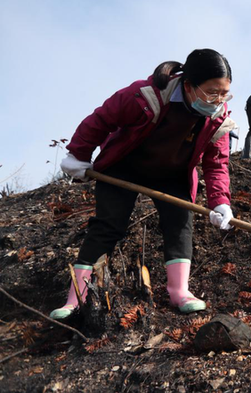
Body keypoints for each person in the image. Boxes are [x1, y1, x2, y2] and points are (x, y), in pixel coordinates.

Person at [51, 49, 236, 319]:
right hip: (123, 167)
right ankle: (76, 297)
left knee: (179, 223)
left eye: (224, 93)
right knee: (108, 225)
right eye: (211, 92)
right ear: (188, 85)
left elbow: (216, 162)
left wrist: (220, 202)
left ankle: (179, 291)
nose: (218, 100)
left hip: (172, 173)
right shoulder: (145, 95)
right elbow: (102, 119)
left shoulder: (217, 118)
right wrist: (78, 155)